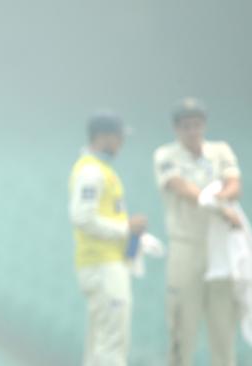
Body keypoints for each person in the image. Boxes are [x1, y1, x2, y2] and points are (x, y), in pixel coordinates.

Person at [153, 97, 242, 366]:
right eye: (186, 126)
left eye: (197, 124)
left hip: (218, 247)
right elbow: (182, 188)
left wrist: (221, 199)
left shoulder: (220, 150)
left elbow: (234, 184)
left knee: (223, 326)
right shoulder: (166, 155)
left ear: (204, 125)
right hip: (186, 246)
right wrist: (219, 207)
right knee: (182, 326)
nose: (192, 131)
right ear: (176, 129)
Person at [68, 111, 148, 366]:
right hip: (103, 265)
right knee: (112, 343)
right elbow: (82, 217)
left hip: (103, 263)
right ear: (103, 137)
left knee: (99, 344)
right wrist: (126, 228)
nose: (121, 143)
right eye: (118, 137)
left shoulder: (98, 169)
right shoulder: (92, 171)